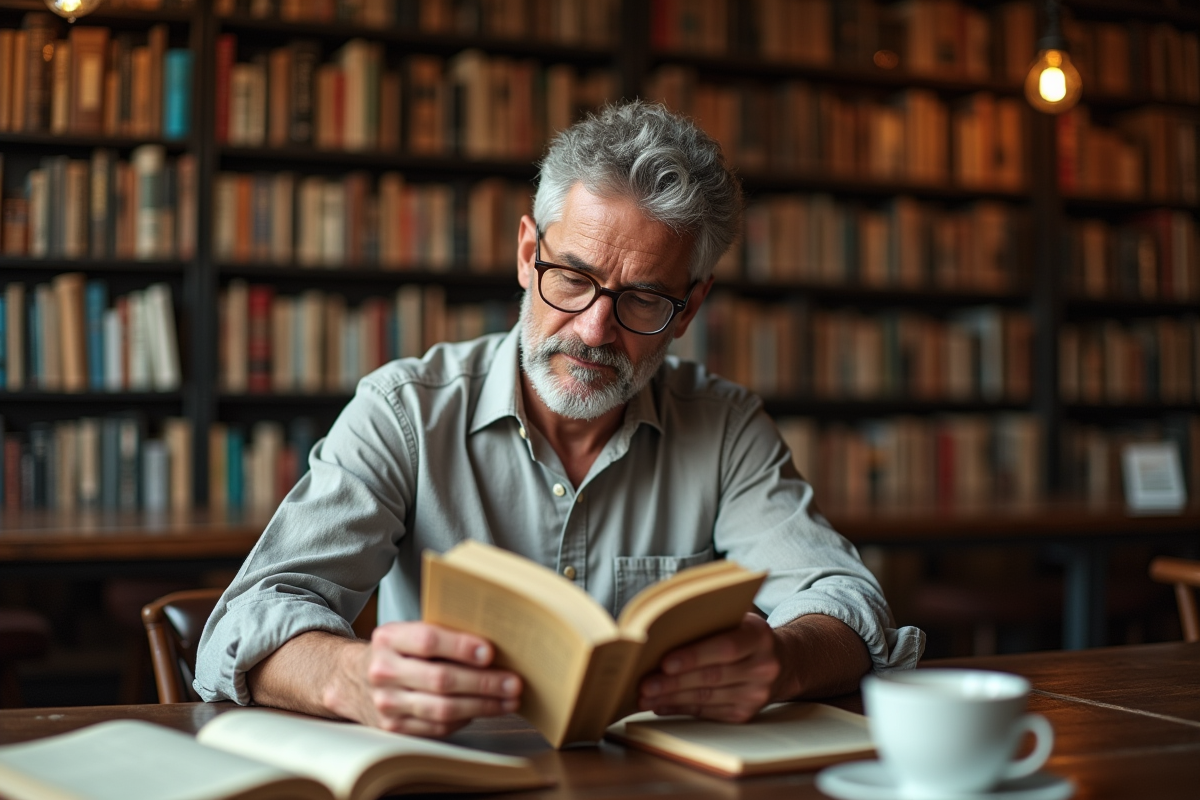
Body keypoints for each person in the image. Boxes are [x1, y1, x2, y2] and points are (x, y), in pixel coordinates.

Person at [195, 100, 923, 737]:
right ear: (525, 254)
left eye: (641, 299)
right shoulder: (405, 411)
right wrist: (351, 676)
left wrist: (784, 660)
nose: (595, 330)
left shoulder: (725, 426)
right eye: (572, 277)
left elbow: (847, 599)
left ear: (690, 308)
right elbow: (249, 617)